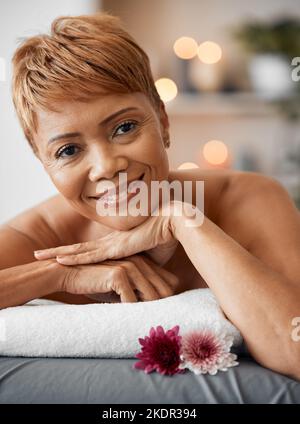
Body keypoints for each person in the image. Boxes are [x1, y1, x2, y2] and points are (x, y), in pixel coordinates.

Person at [1, 13, 300, 380]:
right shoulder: (38, 239)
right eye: (68, 151)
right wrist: (57, 276)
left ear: (163, 119)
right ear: (44, 163)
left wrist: (187, 224)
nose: (107, 166)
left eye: (124, 128)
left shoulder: (249, 198)